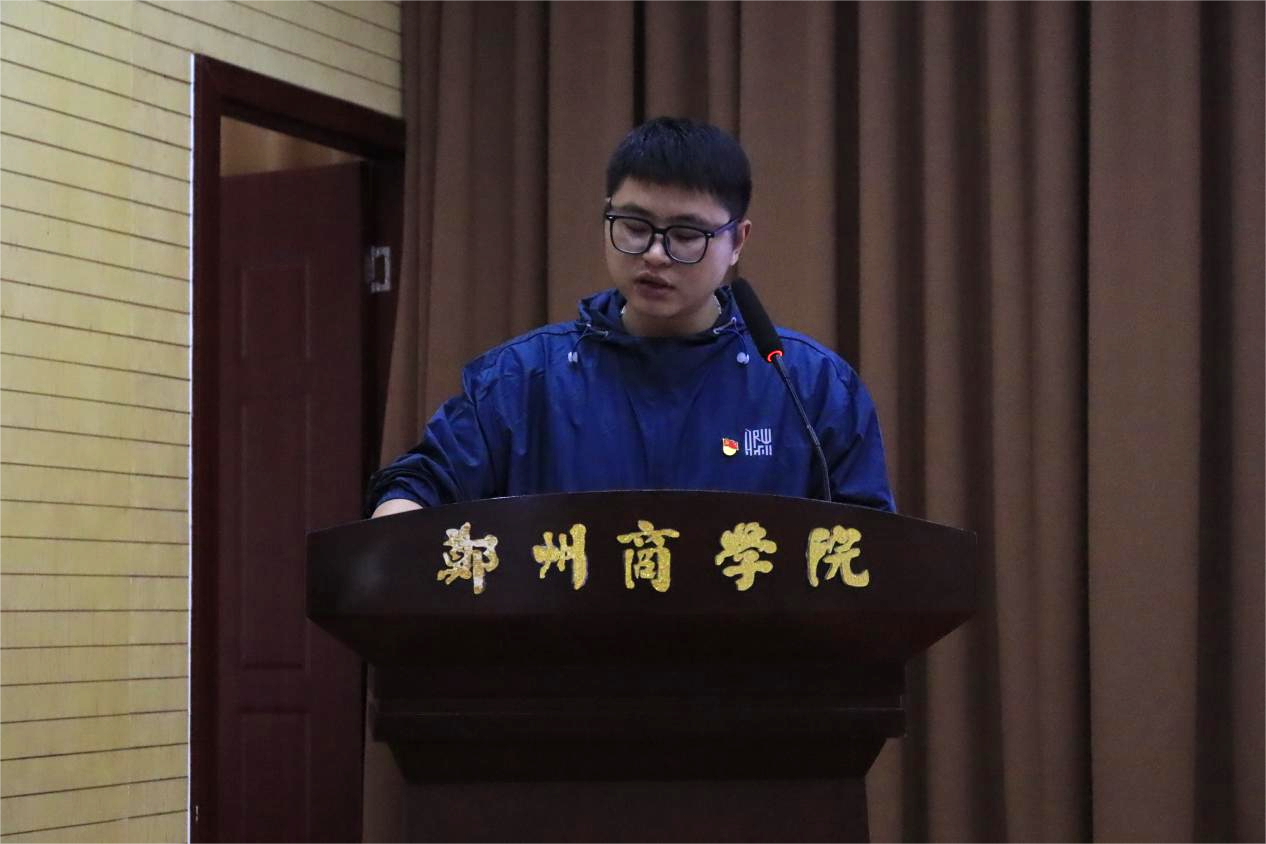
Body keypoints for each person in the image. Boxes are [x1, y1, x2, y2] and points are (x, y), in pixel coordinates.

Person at [368, 117, 894, 518]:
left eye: (686, 235)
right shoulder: (522, 380)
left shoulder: (809, 386)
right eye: (635, 227)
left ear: (738, 241)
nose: (656, 255)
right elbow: (419, 484)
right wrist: (401, 517)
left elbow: (870, 547)